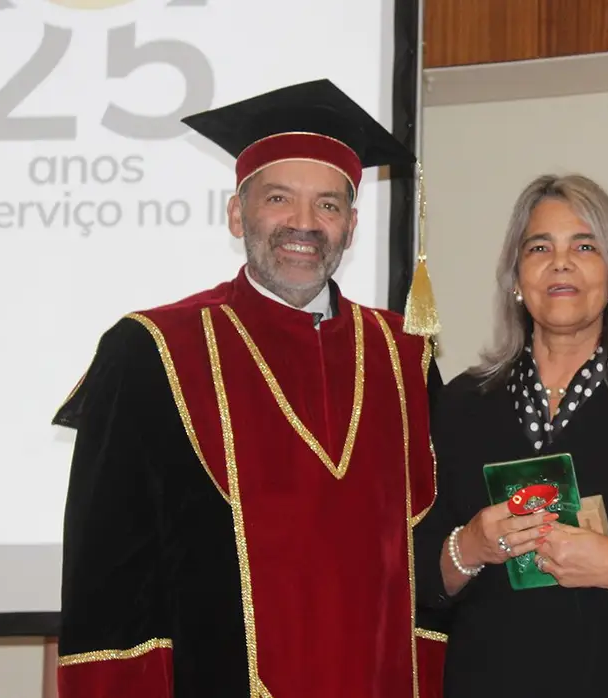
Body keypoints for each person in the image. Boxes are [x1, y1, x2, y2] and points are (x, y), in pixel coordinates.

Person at [51, 79, 447, 698]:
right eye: (279, 198)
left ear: (351, 226)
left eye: (328, 205)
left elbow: (431, 558)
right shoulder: (154, 350)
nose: (304, 224)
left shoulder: (404, 357)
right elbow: (109, 582)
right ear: (238, 213)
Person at [413, 174, 608, 698]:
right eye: (539, 247)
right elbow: (416, 577)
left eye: (585, 246)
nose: (560, 262)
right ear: (516, 277)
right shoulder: (459, 405)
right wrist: (471, 545)